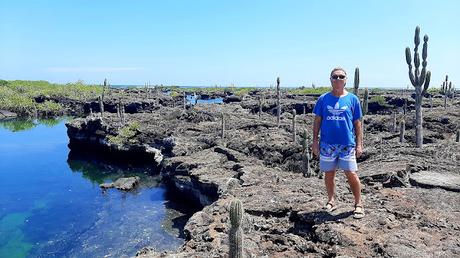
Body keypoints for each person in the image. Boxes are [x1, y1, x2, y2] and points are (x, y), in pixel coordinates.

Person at [312, 67, 364, 219]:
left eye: (341, 77)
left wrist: (359, 144)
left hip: (347, 144)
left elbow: (357, 123)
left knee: (351, 173)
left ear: (346, 80)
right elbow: (317, 121)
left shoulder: (353, 99)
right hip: (327, 144)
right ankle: (331, 200)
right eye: (335, 77)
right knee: (329, 174)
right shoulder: (323, 99)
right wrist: (315, 142)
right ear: (330, 79)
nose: (338, 79)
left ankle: (358, 204)